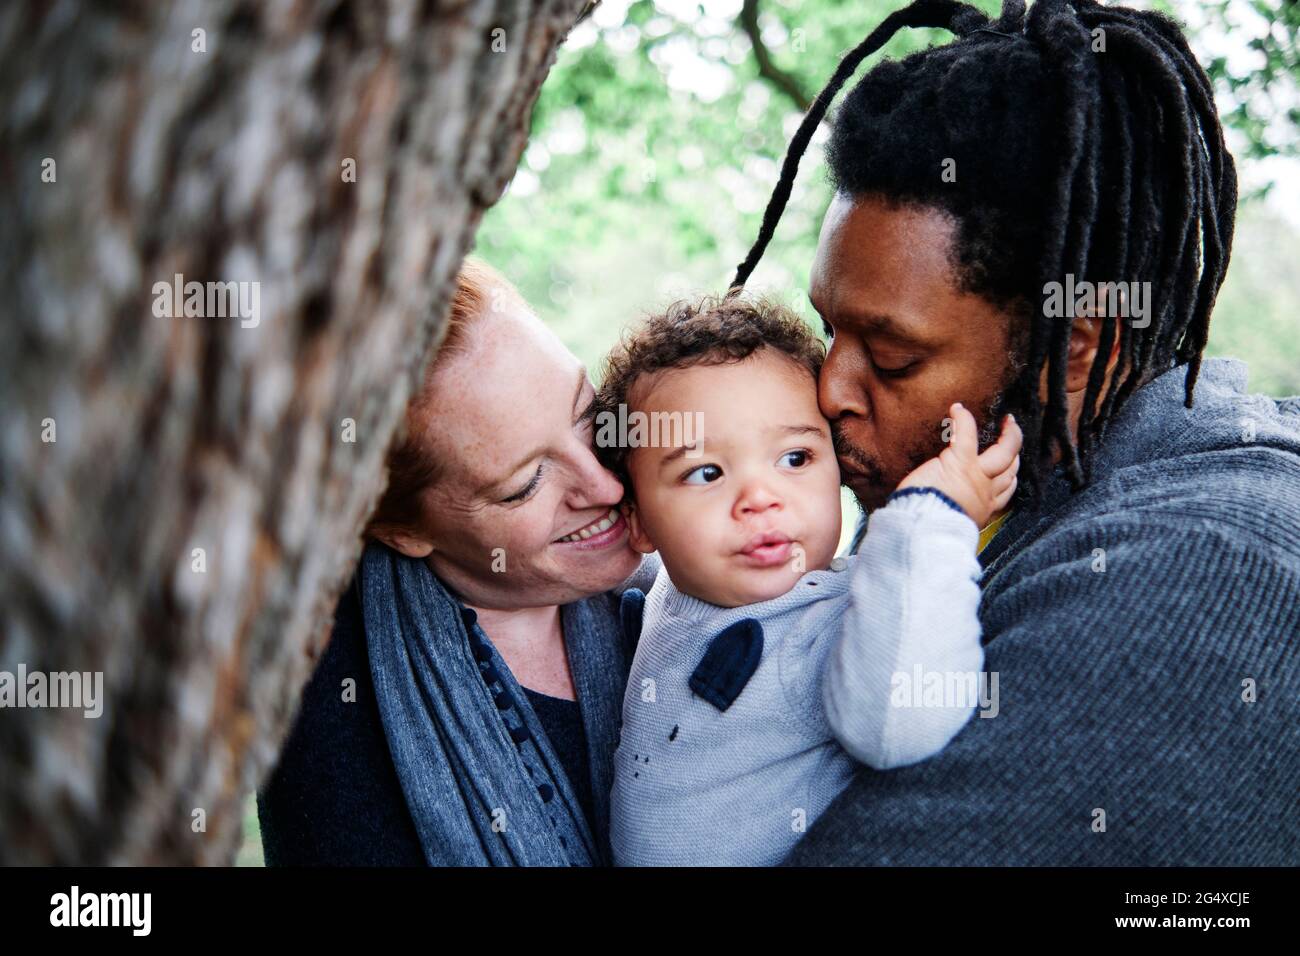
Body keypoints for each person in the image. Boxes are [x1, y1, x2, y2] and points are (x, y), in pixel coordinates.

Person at [720, 0, 1299, 864]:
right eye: (828, 332)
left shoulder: (1205, 566)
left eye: (891, 356)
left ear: (1072, 348)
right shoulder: (981, 493)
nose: (829, 389)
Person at [597, 296, 1020, 865]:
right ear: (639, 522)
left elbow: (900, 723)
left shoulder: (842, 619)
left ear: (838, 470)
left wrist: (930, 524)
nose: (759, 498)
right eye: (705, 473)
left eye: (795, 459)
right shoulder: (672, 586)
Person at [257, 259, 650, 866]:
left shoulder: (695, 574)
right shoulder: (327, 715)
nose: (604, 485)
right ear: (400, 529)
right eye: (525, 484)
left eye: (587, 413)